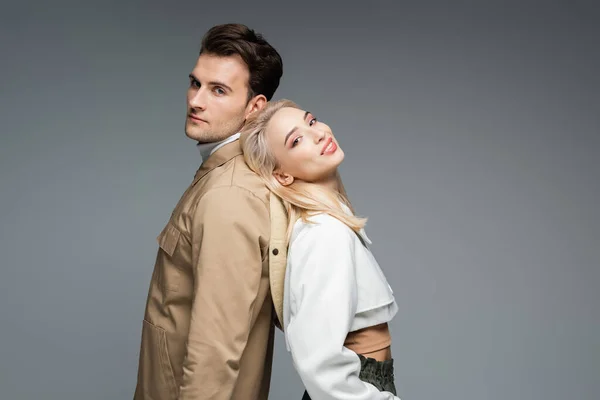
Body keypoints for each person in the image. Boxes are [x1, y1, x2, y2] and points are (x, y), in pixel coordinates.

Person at [133, 23, 283, 400]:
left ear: (255, 107)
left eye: (218, 90)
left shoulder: (228, 196)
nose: (196, 100)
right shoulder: (218, 176)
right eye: (195, 83)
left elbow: (216, 349)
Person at [241, 99, 402, 399]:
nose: (318, 133)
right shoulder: (324, 232)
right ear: (281, 175)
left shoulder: (329, 222)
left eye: (312, 121)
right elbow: (319, 363)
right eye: (296, 140)